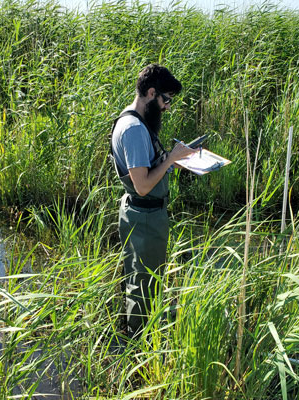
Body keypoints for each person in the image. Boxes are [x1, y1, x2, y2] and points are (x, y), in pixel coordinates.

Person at [110, 64, 197, 338]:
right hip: (144, 216)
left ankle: (138, 333)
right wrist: (171, 158)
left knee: (141, 278)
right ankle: (138, 344)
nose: (167, 107)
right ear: (151, 93)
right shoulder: (134, 129)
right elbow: (144, 185)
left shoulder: (134, 120)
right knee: (143, 282)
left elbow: (147, 169)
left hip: (142, 215)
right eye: (166, 100)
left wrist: (174, 160)